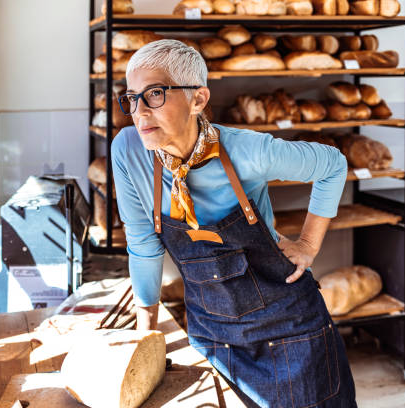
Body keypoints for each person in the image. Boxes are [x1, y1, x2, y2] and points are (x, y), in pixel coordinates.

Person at [111, 39, 357, 408]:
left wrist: (308, 245)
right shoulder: (129, 151)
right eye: (131, 98)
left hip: (291, 335)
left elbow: (332, 165)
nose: (140, 112)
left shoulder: (248, 151)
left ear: (198, 99)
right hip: (213, 336)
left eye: (156, 94)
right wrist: (143, 345)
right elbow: (144, 245)